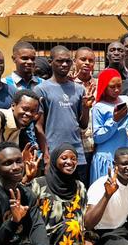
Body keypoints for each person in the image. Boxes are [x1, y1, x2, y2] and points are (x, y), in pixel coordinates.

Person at [29, 145, 105, 245]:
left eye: (73, 159)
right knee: (70, 225)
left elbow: (83, 219)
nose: (69, 162)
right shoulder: (39, 184)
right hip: (46, 242)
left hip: (75, 240)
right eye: (64, 158)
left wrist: (87, 239)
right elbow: (27, 215)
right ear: (55, 160)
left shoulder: (79, 187)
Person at [35, 46, 93, 184]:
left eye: (68, 61)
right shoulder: (41, 89)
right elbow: (38, 126)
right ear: (50, 62)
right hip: (54, 154)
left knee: (77, 195)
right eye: (60, 61)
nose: (64, 64)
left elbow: (83, 125)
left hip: (76, 154)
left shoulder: (78, 89)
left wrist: (85, 108)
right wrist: (46, 155)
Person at [89, 68, 128, 184]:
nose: (116, 90)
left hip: (125, 156)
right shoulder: (99, 107)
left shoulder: (126, 100)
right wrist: (114, 121)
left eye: (119, 86)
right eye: (112, 87)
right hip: (107, 158)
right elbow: (97, 137)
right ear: (104, 87)